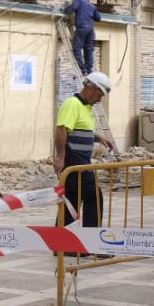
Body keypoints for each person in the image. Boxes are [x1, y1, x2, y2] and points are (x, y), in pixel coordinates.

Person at [53, 71, 117, 230]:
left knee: (71, 201)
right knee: (93, 197)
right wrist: (60, 156)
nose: (100, 99)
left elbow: (79, 130)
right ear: (91, 88)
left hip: (80, 162)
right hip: (75, 162)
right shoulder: (72, 104)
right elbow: (61, 129)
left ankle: (61, 244)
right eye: (100, 94)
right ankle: (91, 241)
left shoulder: (85, 108)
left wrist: (98, 138)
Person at [68, 0, 100, 73]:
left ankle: (82, 68)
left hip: (82, 28)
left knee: (77, 48)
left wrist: (65, 10)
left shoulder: (78, 1)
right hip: (90, 31)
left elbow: (72, 9)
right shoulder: (92, 6)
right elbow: (98, 18)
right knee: (88, 50)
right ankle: (89, 70)